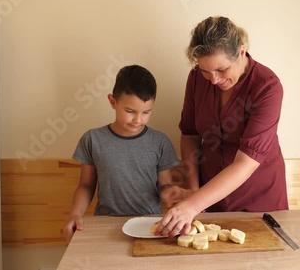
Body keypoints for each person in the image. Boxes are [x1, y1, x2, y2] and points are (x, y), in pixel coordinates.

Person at [156, 16, 288, 237]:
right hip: (210, 198)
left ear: (242, 52)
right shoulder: (197, 79)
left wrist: (192, 204)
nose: (214, 80)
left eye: (222, 70)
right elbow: (189, 134)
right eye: (206, 71)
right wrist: (195, 191)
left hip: (259, 200)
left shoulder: (267, 87)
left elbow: (246, 163)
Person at [63, 65, 187, 243]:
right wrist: (75, 214)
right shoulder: (92, 139)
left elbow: (164, 186)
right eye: (130, 111)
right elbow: (86, 185)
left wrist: (170, 193)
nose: (138, 120)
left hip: (149, 227)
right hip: (106, 225)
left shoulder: (160, 142)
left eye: (146, 112)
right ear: (113, 102)